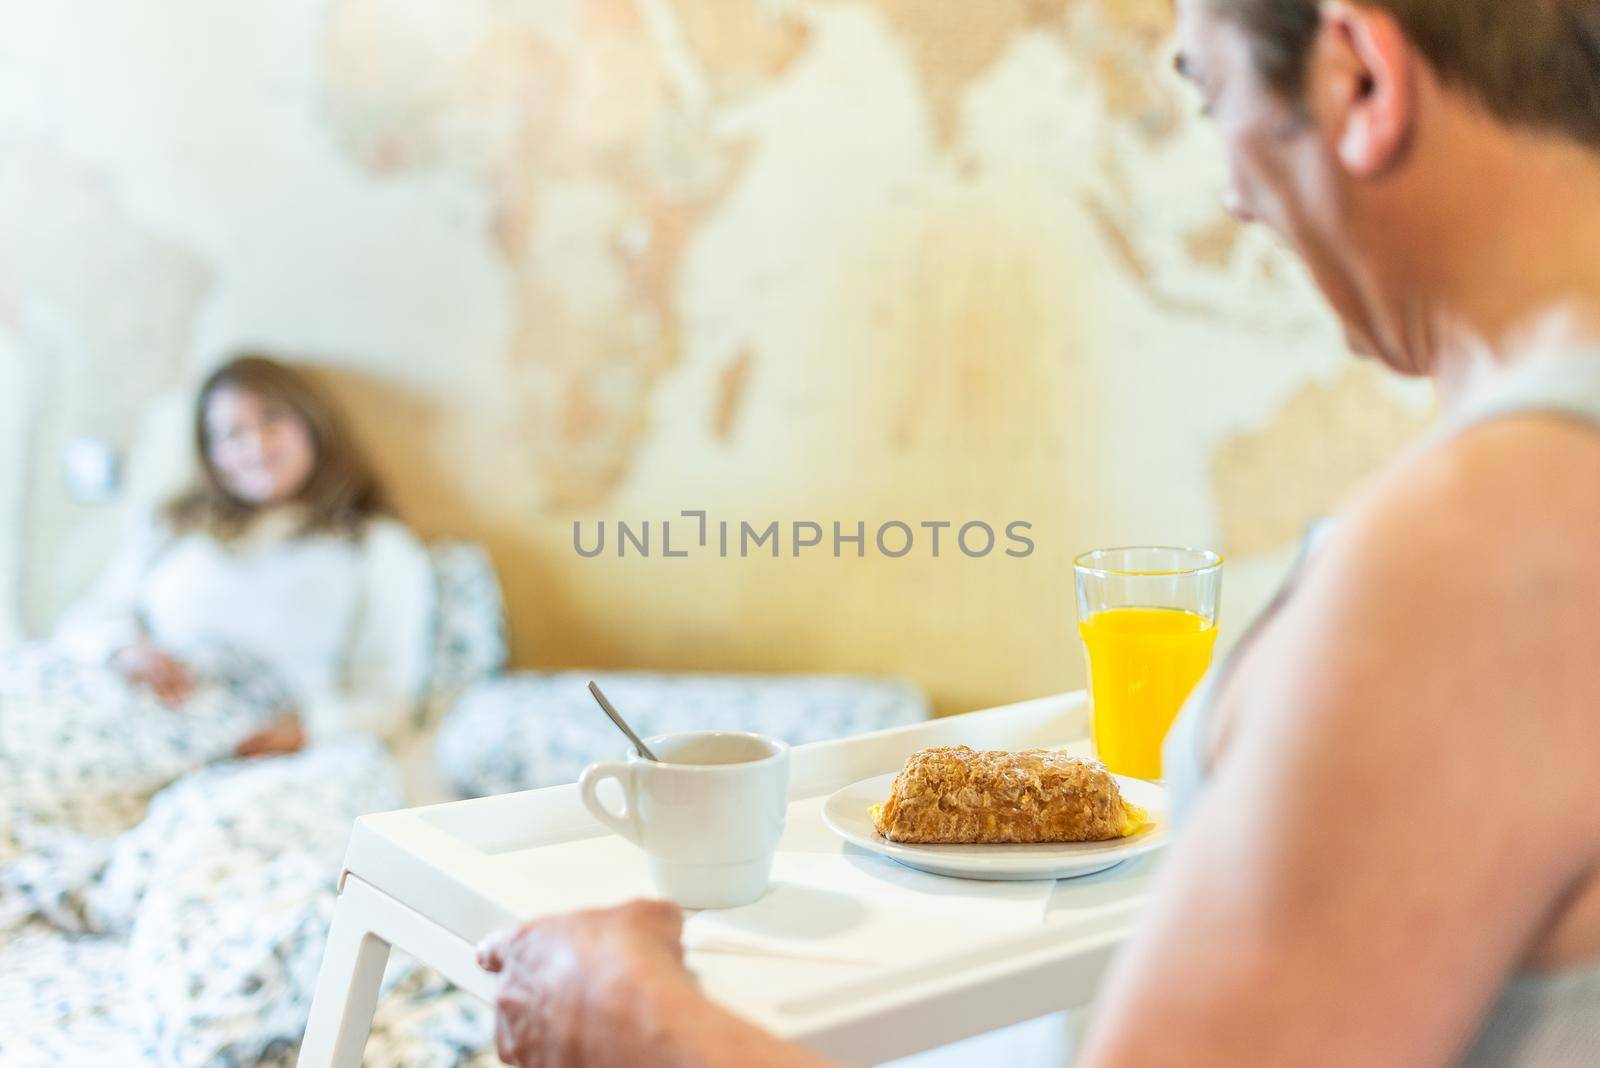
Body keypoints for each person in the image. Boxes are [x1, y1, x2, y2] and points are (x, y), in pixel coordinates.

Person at [477, 1, 1600, 1064]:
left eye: (1209, 100)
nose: (1232, 199)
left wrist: (627, 1018)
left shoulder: (1481, 560)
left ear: (1357, 80)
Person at [55, 353, 435, 755]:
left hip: (272, 746)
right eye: (232, 434)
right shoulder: (172, 525)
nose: (256, 446)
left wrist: (308, 730)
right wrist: (126, 650)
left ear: (313, 426)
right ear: (210, 454)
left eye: (272, 420)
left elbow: (392, 698)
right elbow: (84, 621)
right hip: (135, 719)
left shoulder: (375, 546)